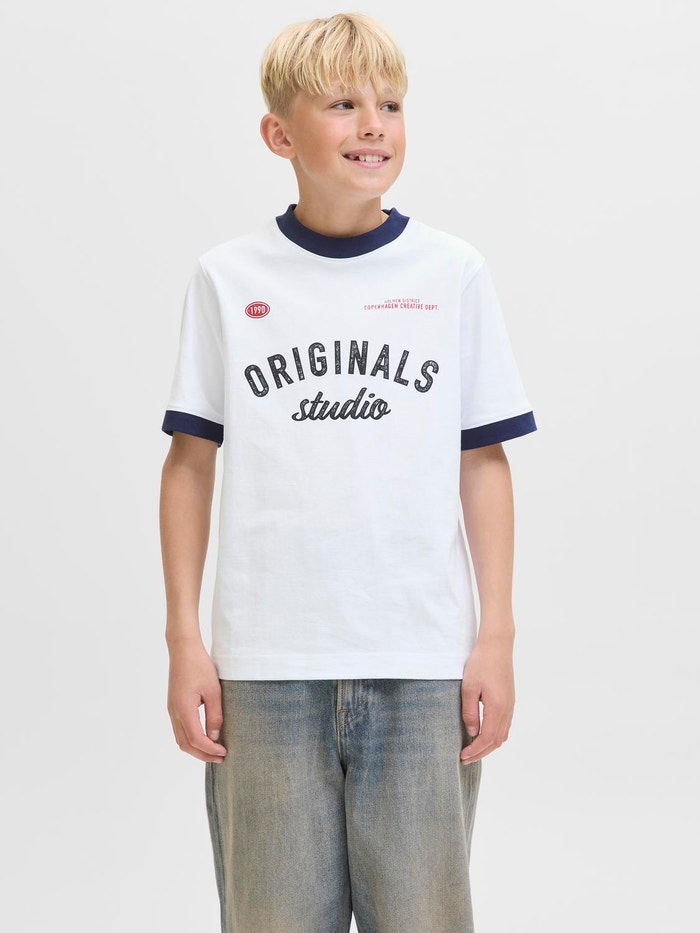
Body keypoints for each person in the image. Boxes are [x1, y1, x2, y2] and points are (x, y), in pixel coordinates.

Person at [159, 12, 537, 933]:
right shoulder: (227, 278)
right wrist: (184, 639)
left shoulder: (451, 272)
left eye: (391, 105)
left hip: (420, 663)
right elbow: (189, 463)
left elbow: (482, 459)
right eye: (342, 104)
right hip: (264, 670)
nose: (374, 125)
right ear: (279, 134)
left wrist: (495, 635)